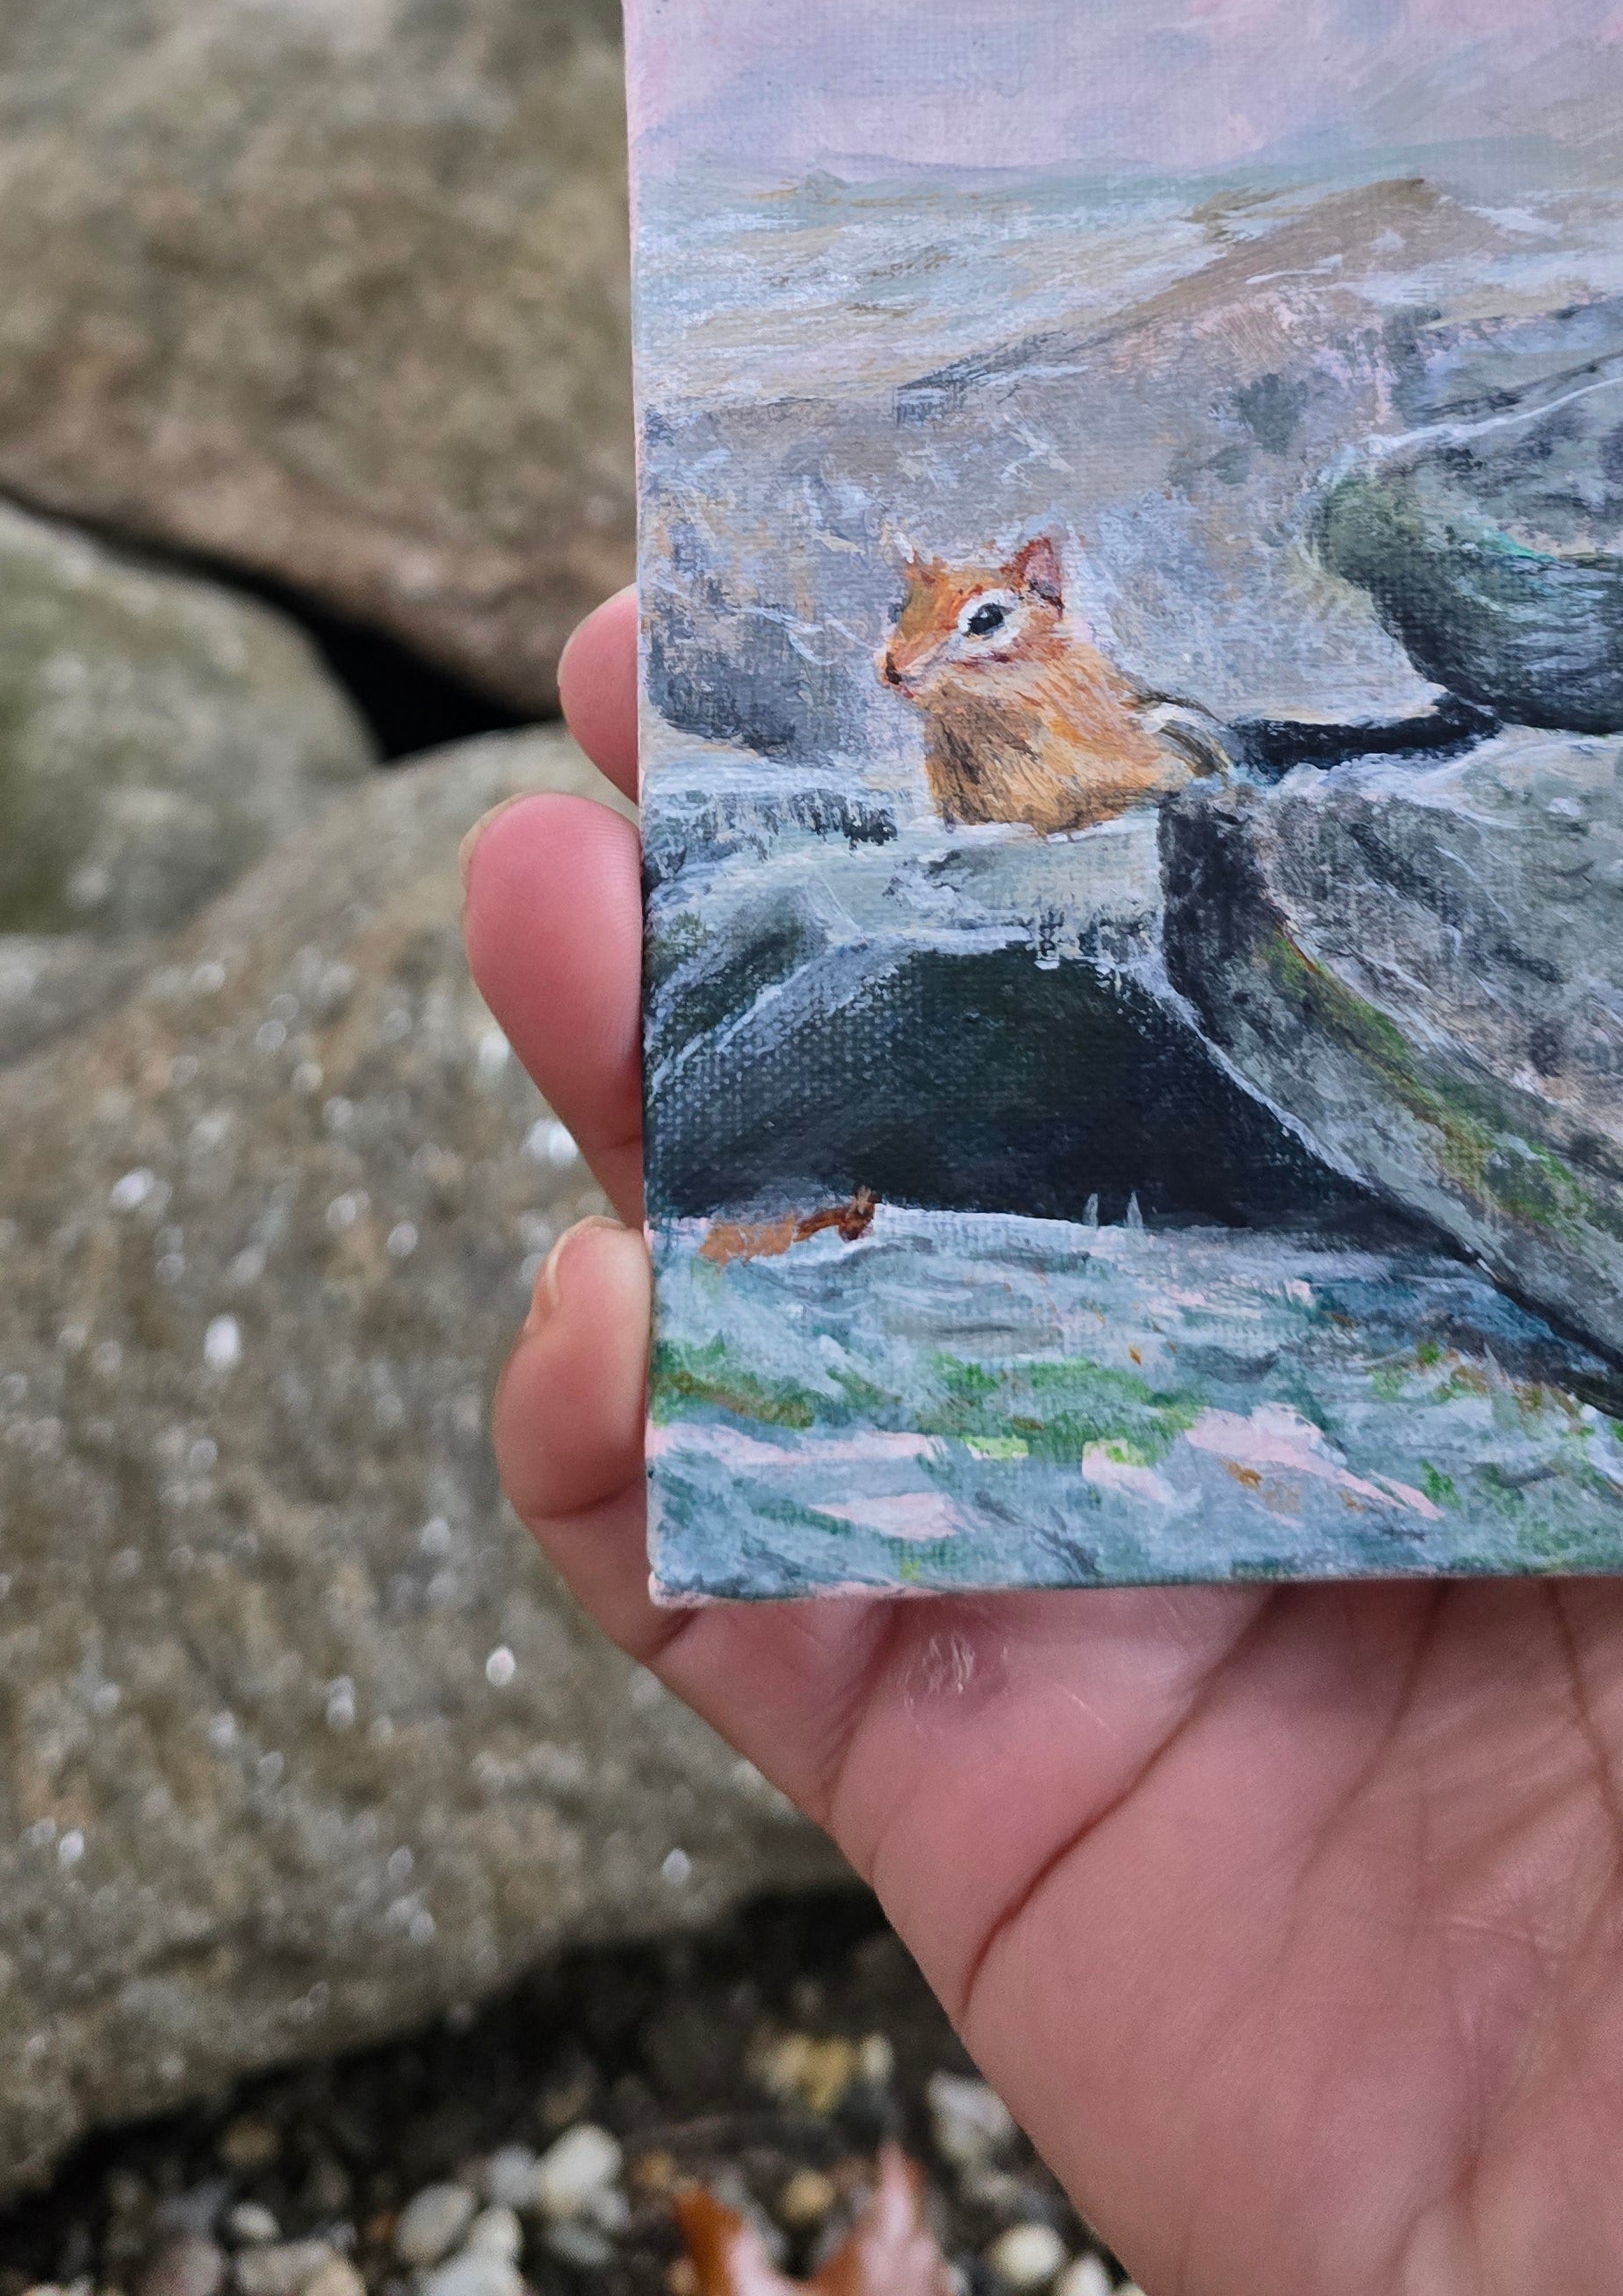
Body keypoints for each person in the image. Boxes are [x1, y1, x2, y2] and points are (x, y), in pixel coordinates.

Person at [463, 583, 1623, 2296]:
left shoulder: (1088, 702)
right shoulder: (944, 725)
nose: (905, 660)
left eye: (974, 621)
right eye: (909, 632)